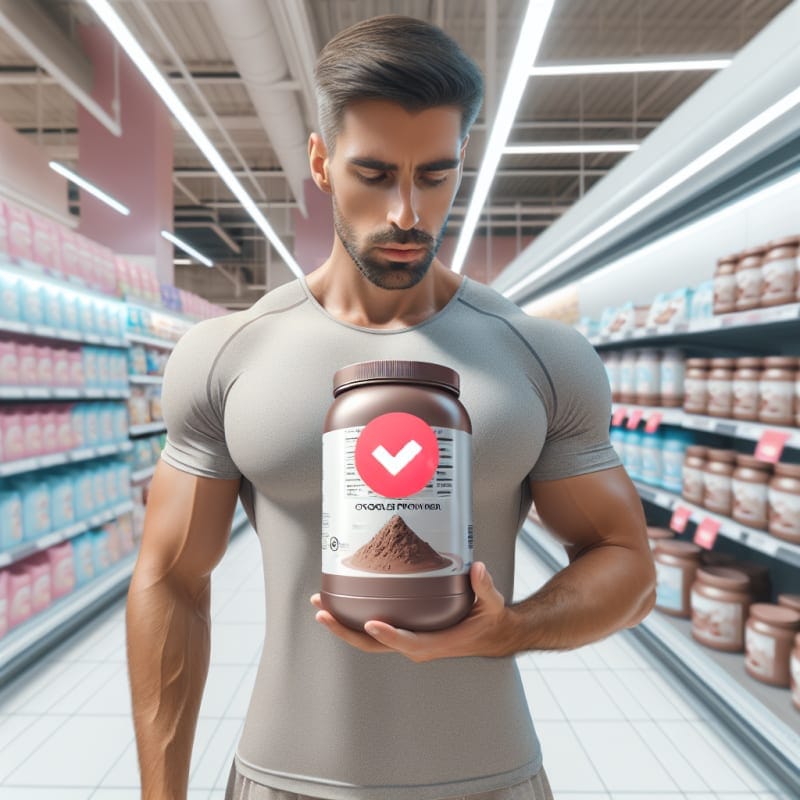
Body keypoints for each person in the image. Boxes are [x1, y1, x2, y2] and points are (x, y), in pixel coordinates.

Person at [126, 14, 656, 800]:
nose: (408, 212)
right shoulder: (228, 354)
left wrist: (514, 626)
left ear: (461, 163)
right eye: (374, 175)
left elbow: (629, 567)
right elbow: (170, 580)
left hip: (493, 779)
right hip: (282, 777)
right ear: (321, 161)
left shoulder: (540, 356)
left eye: (435, 175)